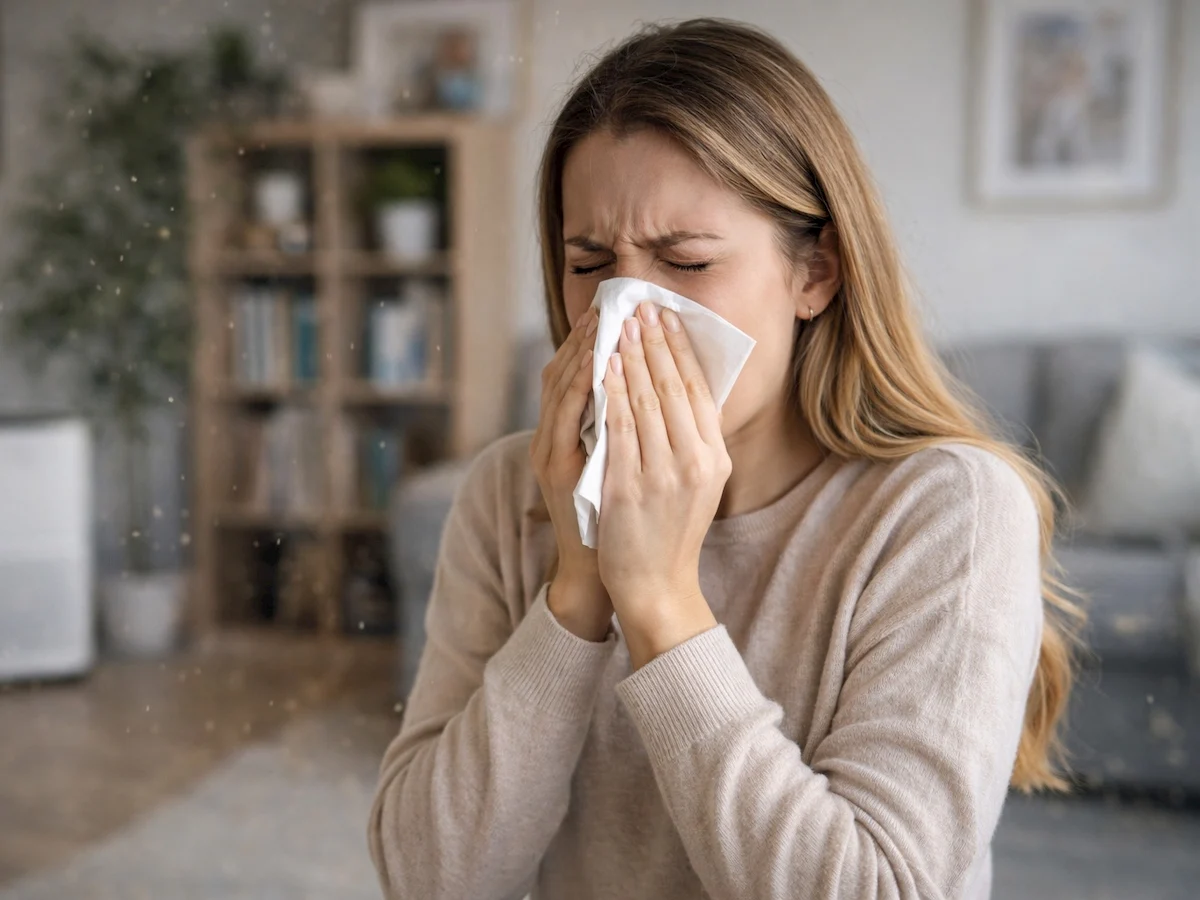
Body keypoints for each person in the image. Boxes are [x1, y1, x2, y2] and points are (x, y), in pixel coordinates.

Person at [368, 18, 1081, 900]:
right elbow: (431, 880)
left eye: (686, 262)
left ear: (815, 274)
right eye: (591, 263)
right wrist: (580, 583)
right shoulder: (509, 496)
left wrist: (662, 602)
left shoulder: (948, 512)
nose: (629, 312)